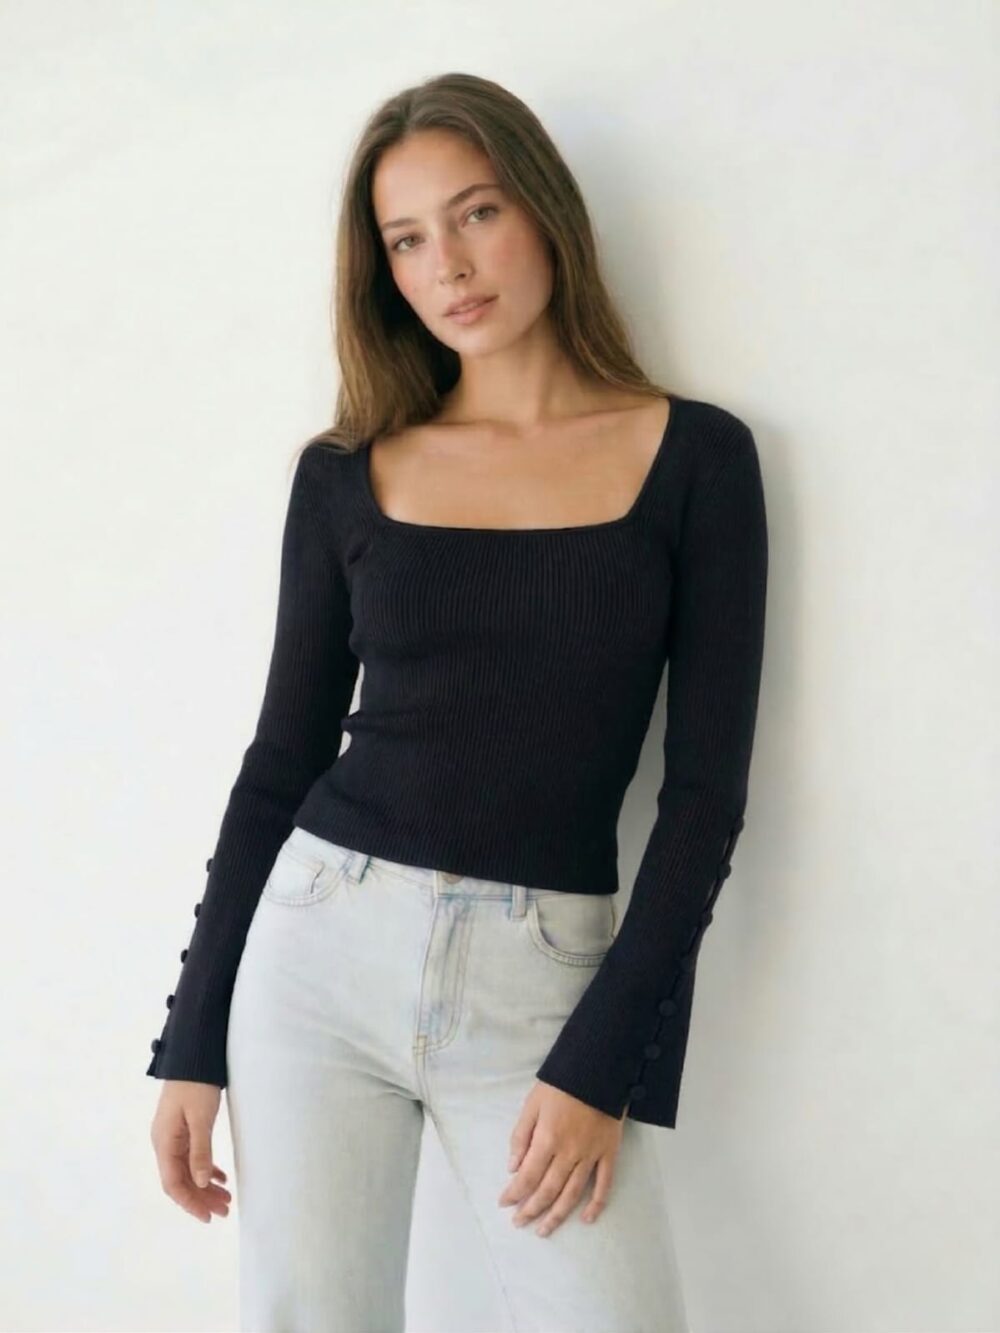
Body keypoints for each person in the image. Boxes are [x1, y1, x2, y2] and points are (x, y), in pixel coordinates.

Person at [147, 70, 768, 1333]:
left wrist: (606, 1062)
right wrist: (192, 1038)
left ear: (543, 209)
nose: (451, 266)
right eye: (408, 239)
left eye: (477, 213)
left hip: (546, 982)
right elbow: (280, 760)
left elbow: (704, 795)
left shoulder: (697, 458)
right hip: (318, 955)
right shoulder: (347, 473)